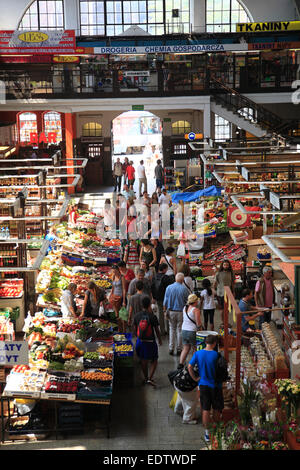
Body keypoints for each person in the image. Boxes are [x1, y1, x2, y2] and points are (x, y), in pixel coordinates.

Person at [188, 334, 224, 444]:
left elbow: (189, 366)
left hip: (203, 385)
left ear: (205, 342)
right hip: (215, 386)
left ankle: (207, 433)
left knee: (205, 409)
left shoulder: (198, 354)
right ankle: (217, 431)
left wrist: (195, 378)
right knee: (216, 408)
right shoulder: (216, 355)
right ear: (214, 343)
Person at [133, 296, 162, 387]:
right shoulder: (152, 316)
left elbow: (134, 329)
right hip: (150, 342)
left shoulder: (137, 316)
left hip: (140, 341)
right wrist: (160, 340)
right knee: (154, 359)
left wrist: (137, 337)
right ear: (149, 305)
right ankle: (150, 377)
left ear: (141, 305)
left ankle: (145, 378)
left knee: (143, 360)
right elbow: (157, 330)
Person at [163, 273, 189, 356]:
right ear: (182, 280)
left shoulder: (169, 288)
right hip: (181, 312)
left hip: (171, 311)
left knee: (172, 329)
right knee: (179, 330)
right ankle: (179, 348)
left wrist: (164, 311)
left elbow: (165, 301)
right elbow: (188, 301)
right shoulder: (184, 289)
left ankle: (171, 348)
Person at [179, 294, 202, 367]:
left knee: (185, 348)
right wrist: (200, 331)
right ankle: (192, 365)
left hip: (184, 330)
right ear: (195, 301)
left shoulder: (184, 308)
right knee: (195, 348)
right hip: (192, 331)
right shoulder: (196, 310)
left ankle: (180, 364)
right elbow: (198, 323)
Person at [152, 263, 173, 335]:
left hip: (158, 298)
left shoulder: (154, 277)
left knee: (160, 314)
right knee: (167, 313)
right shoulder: (166, 277)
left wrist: (154, 297)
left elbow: (152, 287)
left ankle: (162, 330)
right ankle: (169, 329)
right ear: (164, 269)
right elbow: (170, 289)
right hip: (166, 298)